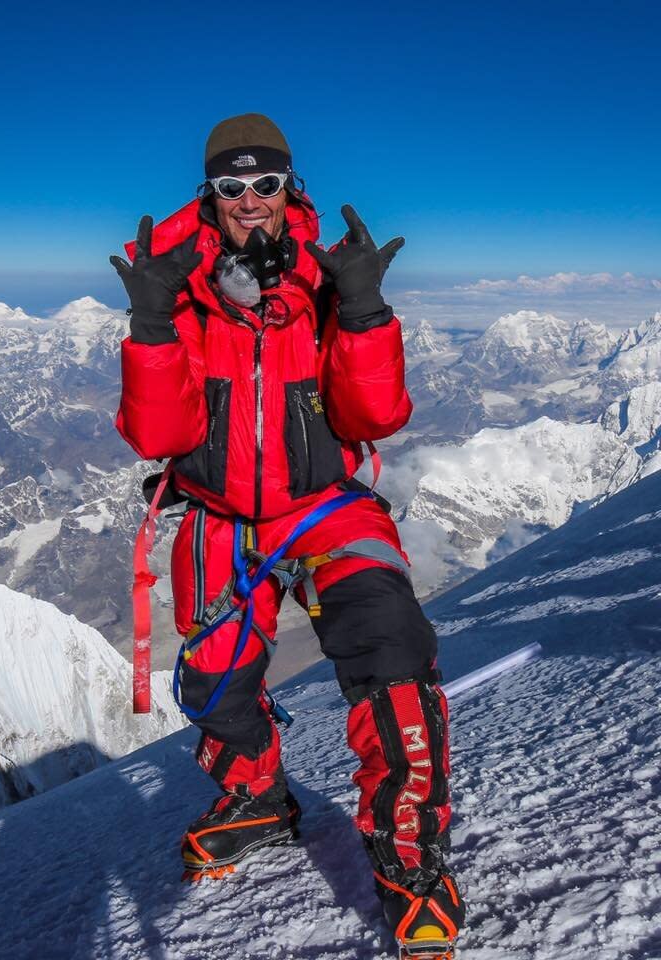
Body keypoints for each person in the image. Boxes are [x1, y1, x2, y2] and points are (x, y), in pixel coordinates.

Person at [111, 113, 465, 958]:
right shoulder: (180, 283)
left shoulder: (325, 280)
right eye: (231, 187)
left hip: (325, 503)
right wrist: (154, 327)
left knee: (390, 645)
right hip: (218, 512)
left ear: (288, 187)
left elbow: (374, 415)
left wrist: (364, 308)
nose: (250, 202)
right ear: (211, 194)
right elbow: (159, 435)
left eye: (265, 183)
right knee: (214, 681)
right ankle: (256, 793)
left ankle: (412, 858)